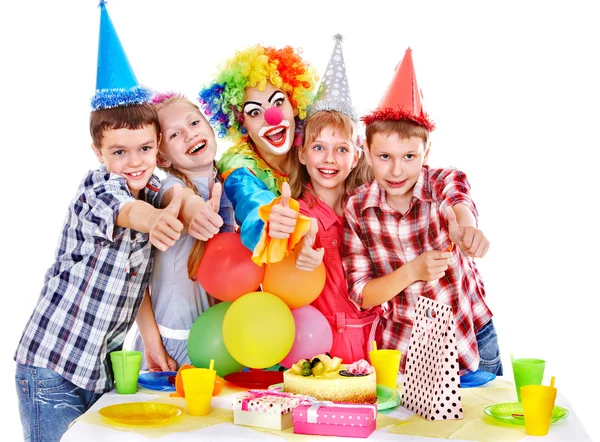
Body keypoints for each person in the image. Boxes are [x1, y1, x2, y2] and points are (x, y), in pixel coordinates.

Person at [13, 3, 184, 441]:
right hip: (52, 369)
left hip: (99, 368)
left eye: (144, 149)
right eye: (119, 152)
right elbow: (130, 213)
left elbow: (137, 281)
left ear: (157, 143)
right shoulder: (98, 188)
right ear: (98, 153)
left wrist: (151, 343)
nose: (134, 162)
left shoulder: (153, 186)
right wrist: (158, 219)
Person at [343, 48, 502, 375]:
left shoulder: (440, 182)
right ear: (367, 153)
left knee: (485, 425)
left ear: (426, 152)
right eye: (385, 156)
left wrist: (467, 229)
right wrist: (412, 271)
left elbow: (458, 199)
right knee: (414, 429)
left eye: (409, 157)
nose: (397, 170)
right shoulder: (357, 209)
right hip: (407, 352)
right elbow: (363, 295)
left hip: (470, 338)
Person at [285, 35, 379, 363]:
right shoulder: (296, 211)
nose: (329, 159)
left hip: (376, 341)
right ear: (302, 154)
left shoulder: (369, 206)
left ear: (356, 157)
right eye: (319, 147)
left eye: (341, 149)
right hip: (320, 349)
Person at [132, 93, 235, 370]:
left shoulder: (235, 185)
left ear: (211, 128)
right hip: (173, 352)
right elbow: (180, 203)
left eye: (194, 123)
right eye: (175, 134)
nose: (190, 134)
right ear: (162, 157)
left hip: (224, 343)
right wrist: (195, 214)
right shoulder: (165, 188)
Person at [198, 44, 319, 264]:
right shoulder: (239, 167)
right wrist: (269, 220)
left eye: (278, 102)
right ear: (242, 124)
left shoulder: (314, 142)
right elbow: (250, 202)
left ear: (294, 105)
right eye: (254, 112)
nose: (271, 117)